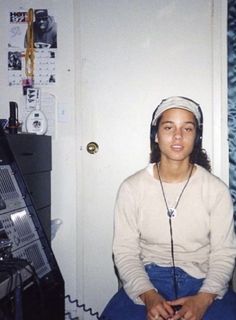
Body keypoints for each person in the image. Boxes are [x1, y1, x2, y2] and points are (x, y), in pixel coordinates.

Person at [101, 96, 236, 320]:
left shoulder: (216, 190)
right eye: (168, 127)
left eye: (188, 128)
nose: (177, 136)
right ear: (156, 135)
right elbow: (125, 253)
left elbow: (223, 254)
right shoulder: (131, 188)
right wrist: (149, 296)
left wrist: (202, 300)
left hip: (203, 281)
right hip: (148, 280)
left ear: (197, 137)